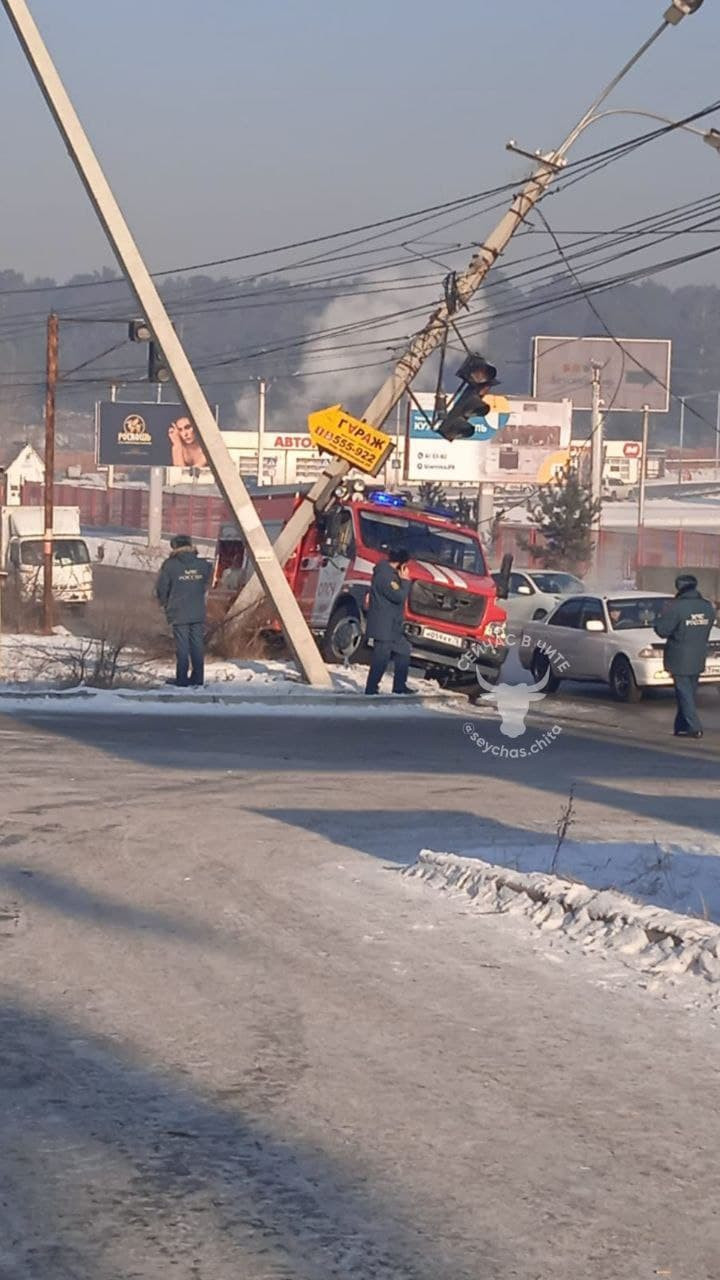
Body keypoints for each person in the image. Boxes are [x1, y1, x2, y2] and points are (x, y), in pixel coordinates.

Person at [654, 573, 715, 739]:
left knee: (684, 693)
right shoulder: (707, 606)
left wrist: (659, 618)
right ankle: (681, 726)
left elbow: (662, 630)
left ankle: (694, 727)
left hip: (679, 656)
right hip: (698, 655)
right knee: (688, 693)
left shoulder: (676, 607)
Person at [156, 534, 212, 687]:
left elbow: (162, 588)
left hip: (178, 610)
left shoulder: (169, 565)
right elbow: (207, 582)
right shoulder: (203, 565)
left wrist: (164, 603)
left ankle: (182, 679)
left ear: (175, 547)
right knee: (197, 645)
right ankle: (198, 679)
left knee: (182, 647)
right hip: (198, 610)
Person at [364, 547, 414, 696]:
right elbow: (398, 596)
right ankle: (371, 688)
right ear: (400, 563)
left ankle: (399, 686)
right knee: (381, 659)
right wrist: (405, 582)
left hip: (392, 625)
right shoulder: (386, 576)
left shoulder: (389, 574)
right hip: (383, 624)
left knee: (403, 650)